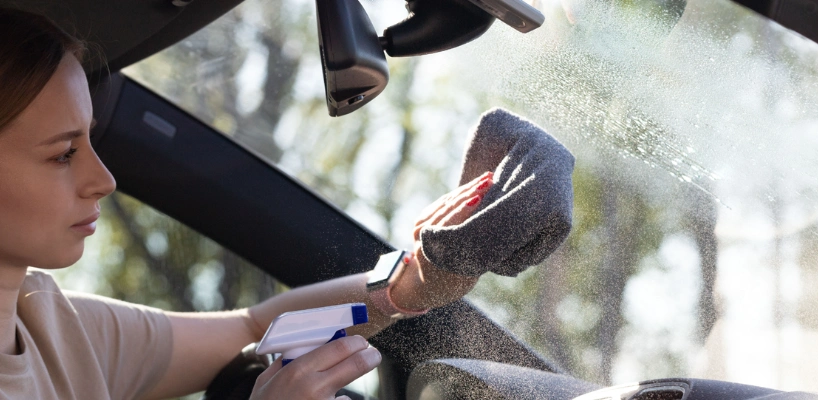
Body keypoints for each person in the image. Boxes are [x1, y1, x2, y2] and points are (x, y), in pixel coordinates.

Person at [0, 8, 493, 400]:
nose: (103, 179)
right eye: (64, 153)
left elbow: (255, 327)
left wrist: (412, 282)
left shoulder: (53, 324)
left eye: (90, 141)